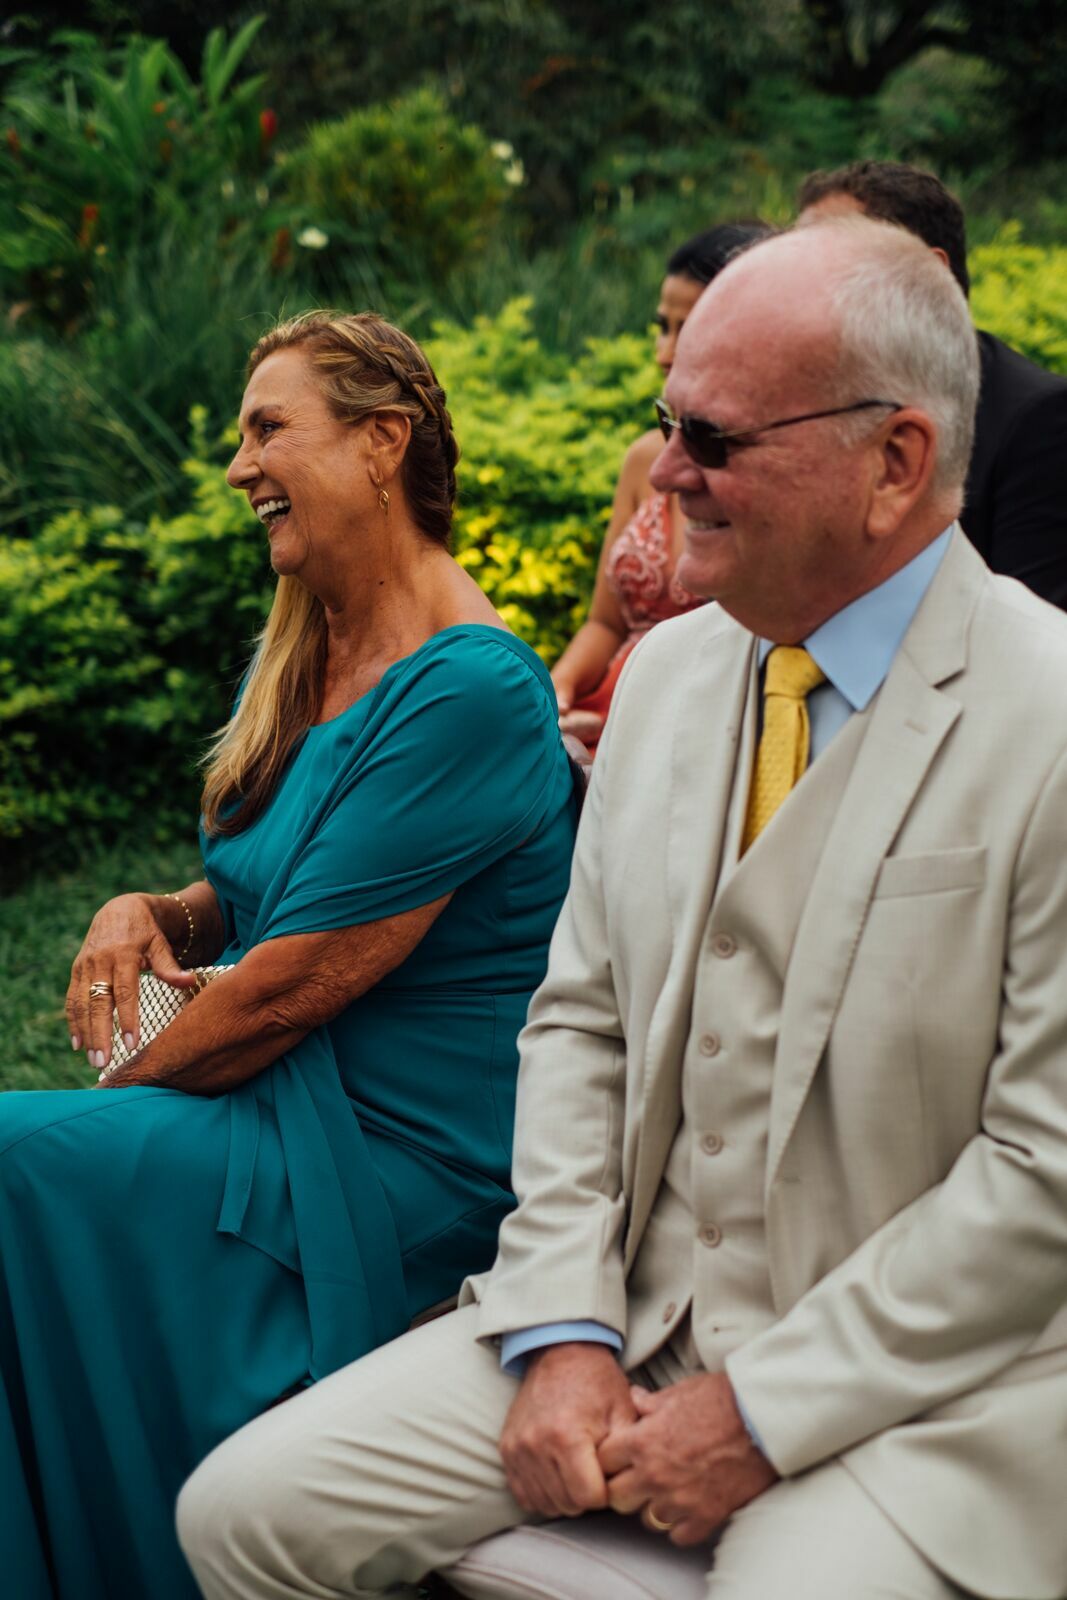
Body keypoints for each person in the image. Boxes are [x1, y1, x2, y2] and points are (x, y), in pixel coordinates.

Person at [180, 218, 1067, 1600]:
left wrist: (762, 1407)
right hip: (633, 1323)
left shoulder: (1049, 709)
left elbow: (1042, 1169)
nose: (663, 474)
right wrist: (560, 1329)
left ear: (891, 463)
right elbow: (578, 1026)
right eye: (666, 425)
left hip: (929, 1393)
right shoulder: (662, 682)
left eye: (711, 440)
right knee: (241, 1515)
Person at [0, 311, 577, 1600]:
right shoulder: (309, 647)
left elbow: (282, 991)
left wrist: (117, 1089)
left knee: (19, 1160)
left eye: (268, 428)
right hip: (287, 1097)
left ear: (382, 444)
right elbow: (260, 890)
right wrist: (150, 913)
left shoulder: (471, 687)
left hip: (389, 1155)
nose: (236, 466)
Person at [798, 158, 1067, 609]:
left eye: (827, 265)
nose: (791, 290)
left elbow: (1038, 634)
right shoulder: (806, 406)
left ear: (930, 274)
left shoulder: (1038, 419)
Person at [552, 223, 770, 752]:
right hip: (608, 711)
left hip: (706, 729)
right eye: (662, 327)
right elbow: (605, 623)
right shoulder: (645, 460)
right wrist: (556, 691)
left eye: (687, 329)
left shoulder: (763, 469)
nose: (664, 353)